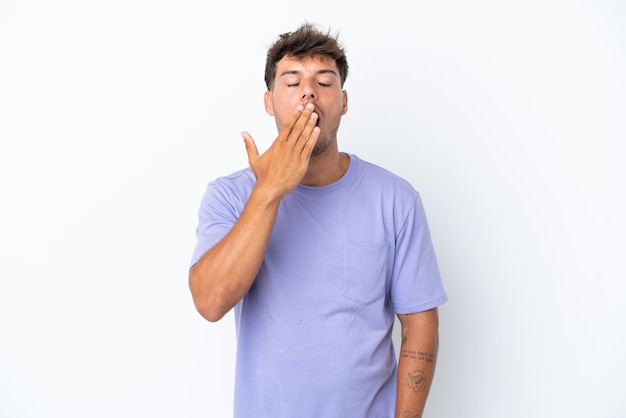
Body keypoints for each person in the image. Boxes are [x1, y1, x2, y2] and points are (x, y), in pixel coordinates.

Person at [189, 23, 447, 418]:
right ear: (269, 101)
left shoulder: (395, 200)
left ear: (343, 102)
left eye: (324, 82)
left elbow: (420, 325)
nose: (308, 91)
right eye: (292, 82)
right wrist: (269, 191)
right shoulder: (230, 196)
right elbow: (209, 302)